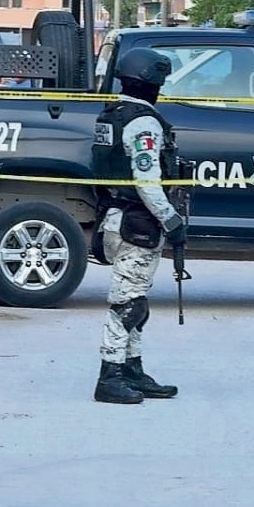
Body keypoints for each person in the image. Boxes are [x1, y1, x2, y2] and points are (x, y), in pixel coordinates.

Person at [89, 48, 182, 404]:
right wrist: (172, 222)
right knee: (126, 304)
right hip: (137, 223)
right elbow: (146, 181)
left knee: (135, 300)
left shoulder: (111, 115)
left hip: (114, 217)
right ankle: (109, 375)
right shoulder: (143, 123)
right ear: (152, 83)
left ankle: (131, 368)